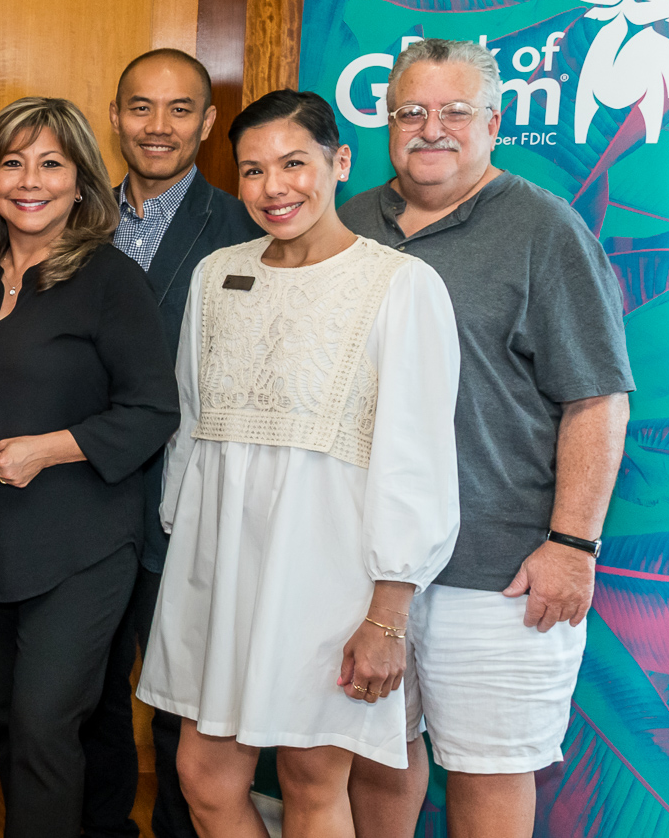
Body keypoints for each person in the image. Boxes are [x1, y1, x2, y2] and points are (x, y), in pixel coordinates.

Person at [137, 90, 462, 838]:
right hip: (218, 567)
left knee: (313, 779)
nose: (274, 187)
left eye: (294, 163)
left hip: (331, 574)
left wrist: (388, 614)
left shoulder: (401, 285)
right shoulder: (218, 274)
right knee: (204, 777)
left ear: (340, 162)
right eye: (252, 171)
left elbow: (416, 457)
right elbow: (193, 423)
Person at [339, 39, 633, 838]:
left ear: (495, 123)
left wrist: (572, 542)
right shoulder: (349, 224)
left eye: (455, 112)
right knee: (376, 761)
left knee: (490, 771)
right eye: (412, 112)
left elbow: (598, 398)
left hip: (498, 574)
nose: (432, 129)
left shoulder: (545, 229)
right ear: (386, 121)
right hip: (364, 564)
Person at [0, 96, 180, 837]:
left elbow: (151, 409)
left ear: (82, 181)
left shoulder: (110, 280)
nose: (30, 179)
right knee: (13, 725)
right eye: (12, 162)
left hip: (82, 542)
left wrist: (46, 448)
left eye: (51, 163)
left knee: (49, 727)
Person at [80, 48, 261, 838]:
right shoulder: (72, 217)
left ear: (209, 123)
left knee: (182, 696)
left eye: (180, 109)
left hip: (191, 502)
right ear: (115, 115)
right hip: (81, 491)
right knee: (87, 694)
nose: (158, 127)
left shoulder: (247, 224)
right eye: (140, 108)